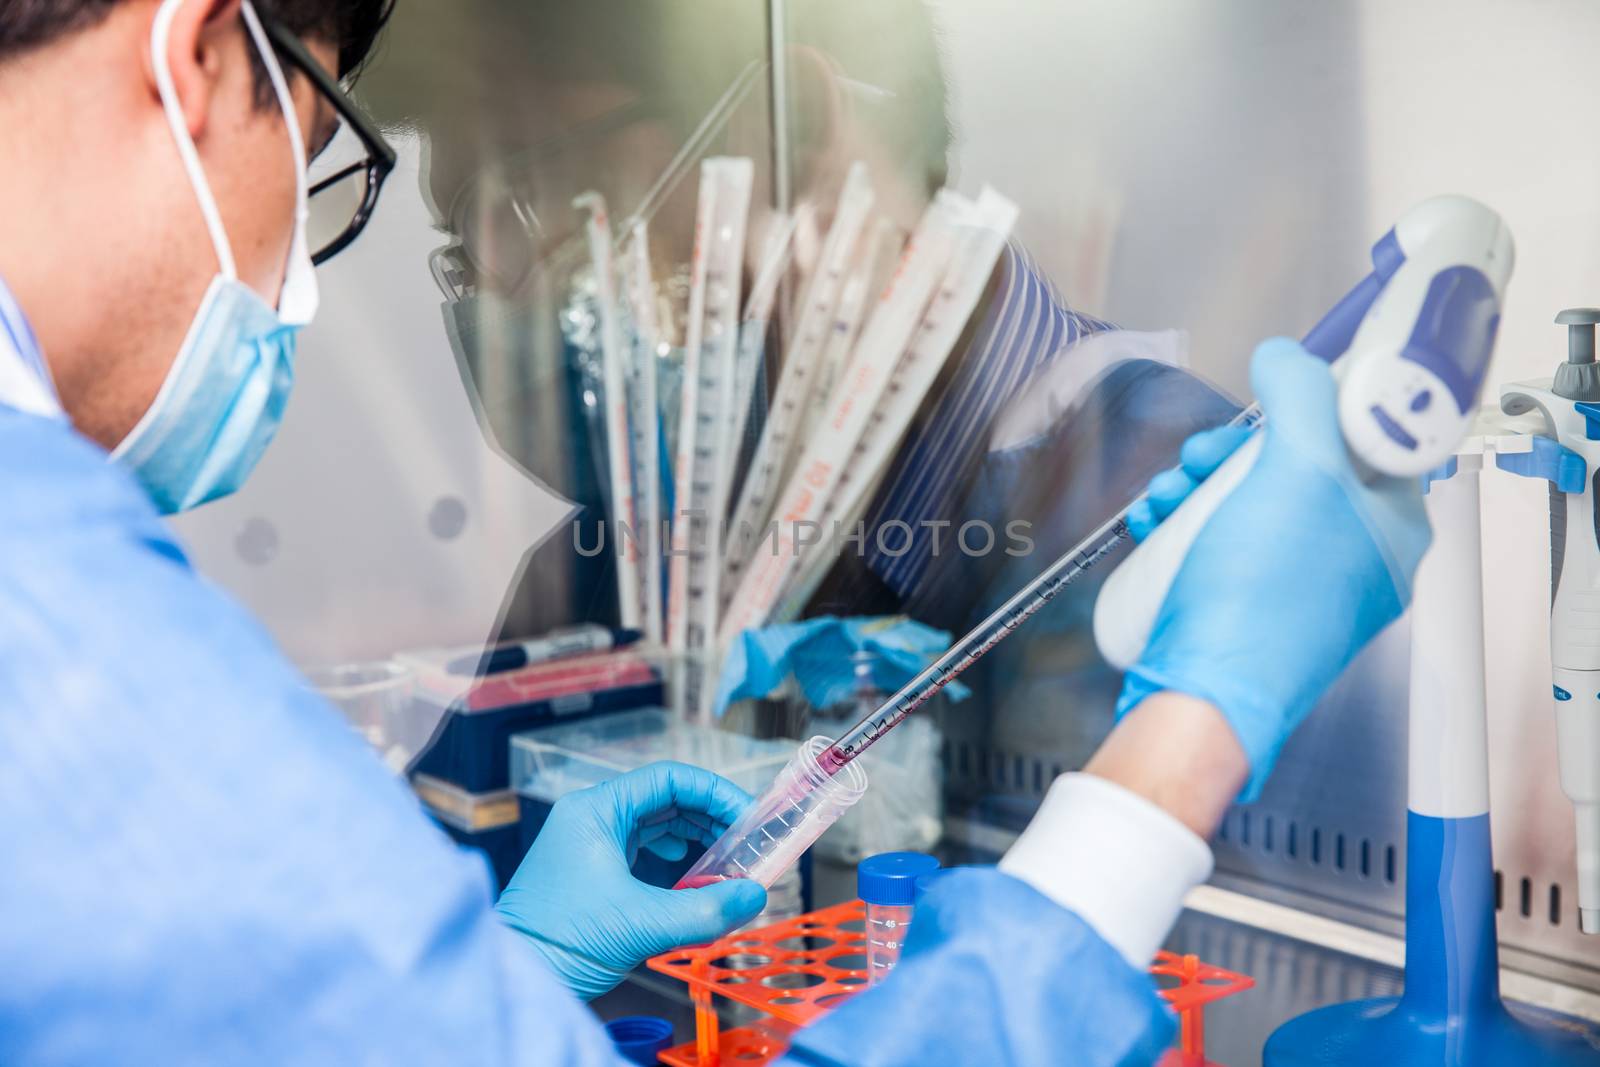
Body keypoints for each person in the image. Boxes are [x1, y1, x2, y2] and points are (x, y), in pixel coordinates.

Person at [0, 4, 1430, 1067]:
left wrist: (509, 969)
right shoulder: (59, 637)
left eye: (544, 191)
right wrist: (1187, 735)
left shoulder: (1116, 445)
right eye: (458, 223)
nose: (501, 276)